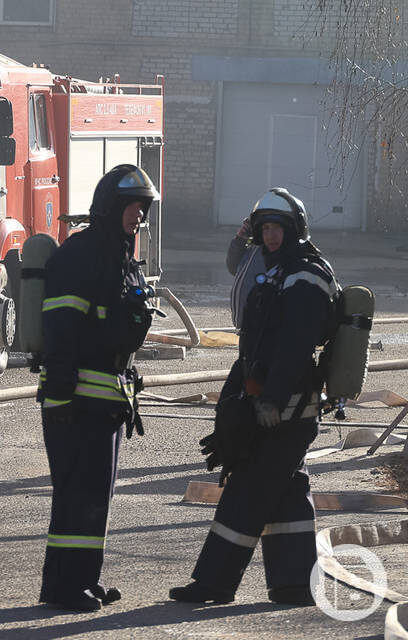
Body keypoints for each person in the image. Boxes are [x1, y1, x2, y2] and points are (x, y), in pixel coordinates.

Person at [169, 187, 339, 606]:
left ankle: (214, 583)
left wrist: (271, 401)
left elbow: (294, 347)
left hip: (285, 410)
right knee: (287, 492)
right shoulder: (280, 271)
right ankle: (294, 584)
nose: (270, 236)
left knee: (246, 490)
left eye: (277, 228)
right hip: (276, 405)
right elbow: (257, 344)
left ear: (294, 230)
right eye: (265, 229)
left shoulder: (306, 277)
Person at [37, 164, 160, 612]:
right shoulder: (81, 255)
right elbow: (61, 330)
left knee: (95, 499)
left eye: (143, 208)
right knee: (79, 497)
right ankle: (65, 589)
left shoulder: (122, 258)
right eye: (132, 207)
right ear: (111, 207)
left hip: (106, 400)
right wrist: (59, 397)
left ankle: (83, 580)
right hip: (77, 400)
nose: (139, 216)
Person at [227, 216, 266, 330]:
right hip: (248, 329)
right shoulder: (252, 251)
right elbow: (234, 268)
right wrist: (239, 241)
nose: (270, 235)